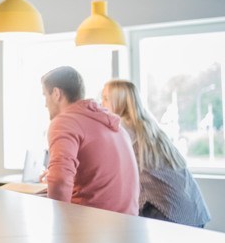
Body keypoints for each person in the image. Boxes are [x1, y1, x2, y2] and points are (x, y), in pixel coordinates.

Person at [102, 79, 211, 227]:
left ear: (119, 102)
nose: (101, 103)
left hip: (167, 210)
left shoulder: (123, 128)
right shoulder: (149, 126)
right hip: (193, 208)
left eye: (106, 98)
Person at [41, 66, 139, 215]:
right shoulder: (112, 124)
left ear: (56, 94)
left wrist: (57, 225)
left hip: (93, 226)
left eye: (45, 96)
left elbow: (60, 181)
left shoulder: (65, 121)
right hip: (127, 225)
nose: (45, 104)